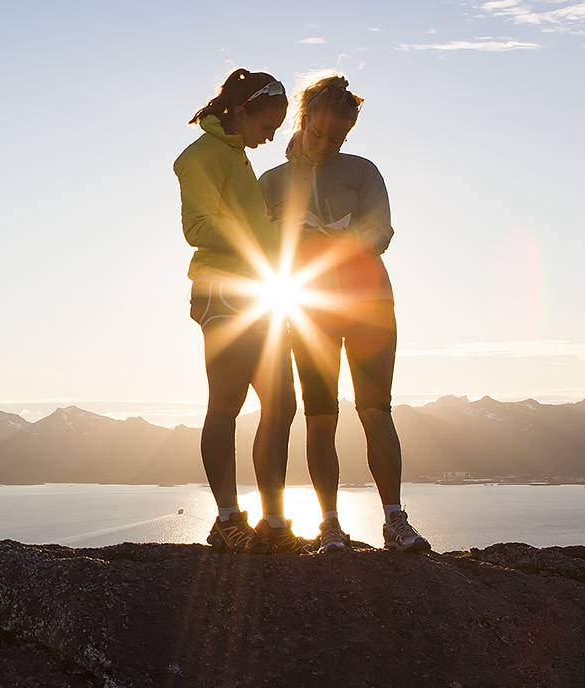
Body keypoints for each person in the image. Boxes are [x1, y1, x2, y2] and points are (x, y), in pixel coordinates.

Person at [260, 75, 430, 553]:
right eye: (321, 134)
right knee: (320, 416)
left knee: (376, 410)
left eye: (339, 138)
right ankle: (330, 525)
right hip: (310, 306)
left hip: (370, 304)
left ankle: (394, 520)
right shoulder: (271, 183)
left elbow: (382, 233)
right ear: (304, 117)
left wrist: (340, 236)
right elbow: (258, 248)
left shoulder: (362, 170)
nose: (329, 144)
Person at [174, 68, 305, 553]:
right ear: (243, 109)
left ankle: (273, 523)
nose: (271, 137)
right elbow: (198, 226)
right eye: (268, 126)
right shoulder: (200, 156)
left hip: (260, 292)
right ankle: (228, 519)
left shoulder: (235, 156)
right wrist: (270, 238)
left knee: (281, 404)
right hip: (222, 293)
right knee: (226, 404)